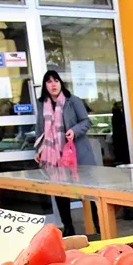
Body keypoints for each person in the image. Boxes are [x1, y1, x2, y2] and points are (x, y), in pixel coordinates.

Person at [34, 70, 97, 236]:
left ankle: (98, 225)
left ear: (61, 83)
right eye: (49, 82)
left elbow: (86, 121)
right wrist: (39, 149)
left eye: (56, 80)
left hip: (76, 153)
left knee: (89, 190)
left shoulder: (72, 100)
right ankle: (68, 227)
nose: (53, 84)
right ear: (45, 86)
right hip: (53, 156)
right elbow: (40, 129)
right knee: (59, 191)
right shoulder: (43, 104)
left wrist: (74, 131)